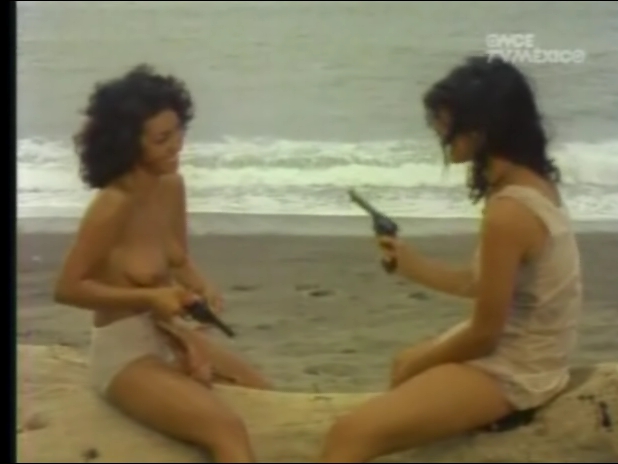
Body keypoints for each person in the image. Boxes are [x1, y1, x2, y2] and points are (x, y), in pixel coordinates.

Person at [318, 55, 583, 462]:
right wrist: (412, 265)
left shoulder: (509, 211)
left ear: (483, 128)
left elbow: (485, 333)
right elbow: (480, 284)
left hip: (519, 366)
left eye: (447, 120)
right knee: (402, 365)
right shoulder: (530, 184)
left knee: (347, 436)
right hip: (532, 348)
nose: (440, 129)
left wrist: (420, 365)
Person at [53, 64, 271, 463]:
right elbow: (67, 288)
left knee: (265, 396)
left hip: (167, 334)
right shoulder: (112, 205)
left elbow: (177, 257)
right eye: (161, 139)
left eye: (178, 132)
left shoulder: (171, 186)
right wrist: (152, 298)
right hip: (124, 354)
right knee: (226, 429)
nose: (176, 146)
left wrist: (200, 286)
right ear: (128, 144)